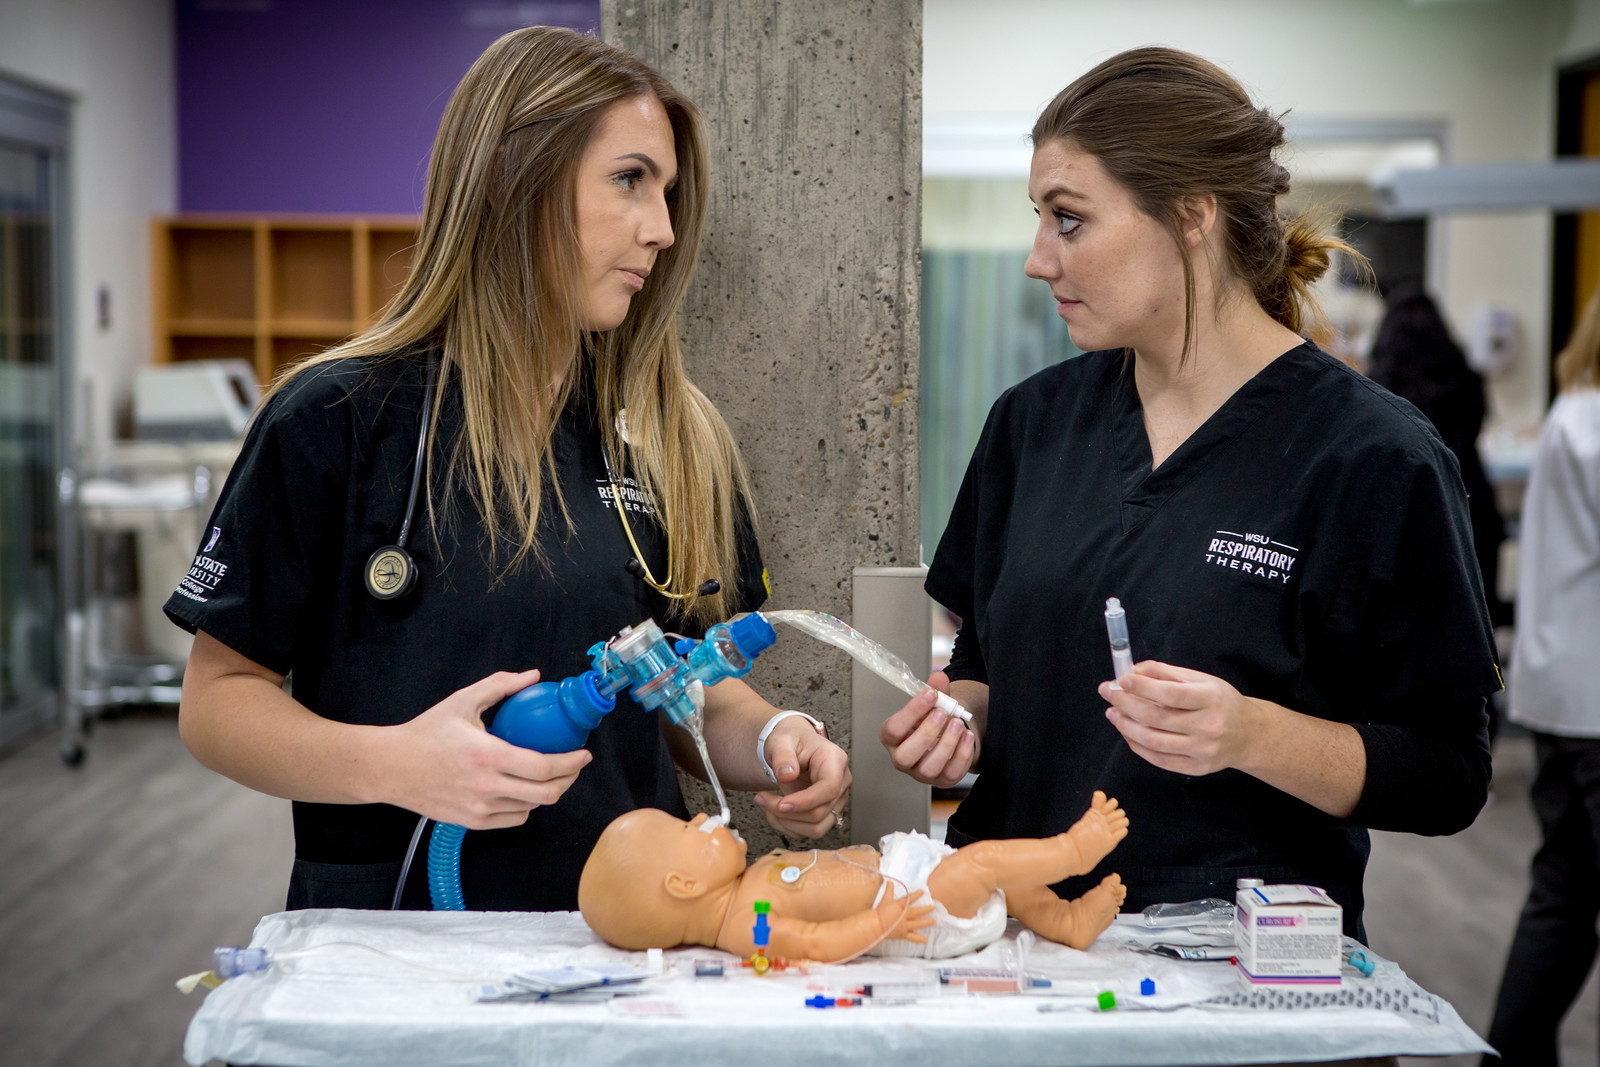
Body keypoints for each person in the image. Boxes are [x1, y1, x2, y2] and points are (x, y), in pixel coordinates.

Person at [165, 27, 849, 913]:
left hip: (628, 934)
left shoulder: (676, 438)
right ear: (515, 183)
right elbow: (218, 702)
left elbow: (683, 688)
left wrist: (777, 742)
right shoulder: (334, 421)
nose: (664, 229)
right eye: (630, 180)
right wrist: (397, 765)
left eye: (668, 191)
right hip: (397, 942)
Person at [880, 47, 1498, 941]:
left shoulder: (1373, 457)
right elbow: (985, 655)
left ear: (1192, 215)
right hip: (1008, 942)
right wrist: (958, 720)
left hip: (1233, 958)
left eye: (1069, 221)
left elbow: (1449, 773)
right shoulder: (1033, 424)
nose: (1036, 259)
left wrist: (1253, 735)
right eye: (1039, 219)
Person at [577, 792, 1129, 961]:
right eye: (689, 828)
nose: (703, 819)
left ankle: (1066, 919)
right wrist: (881, 924)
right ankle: (1073, 851)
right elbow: (816, 943)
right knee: (982, 864)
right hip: (913, 915)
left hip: (907, 885)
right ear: (684, 885)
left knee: (999, 882)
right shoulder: (751, 925)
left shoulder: (744, 894)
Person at [1481, 285, 1600, 1066]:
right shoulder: (1591, 421)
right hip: (1591, 704)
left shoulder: (1574, 409)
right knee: (1562, 893)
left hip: (1567, 697)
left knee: (1564, 892)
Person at [1366, 283, 1509, 635]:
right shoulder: (1465, 380)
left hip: (1411, 519)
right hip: (1473, 511)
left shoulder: (1378, 393)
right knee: (1475, 627)